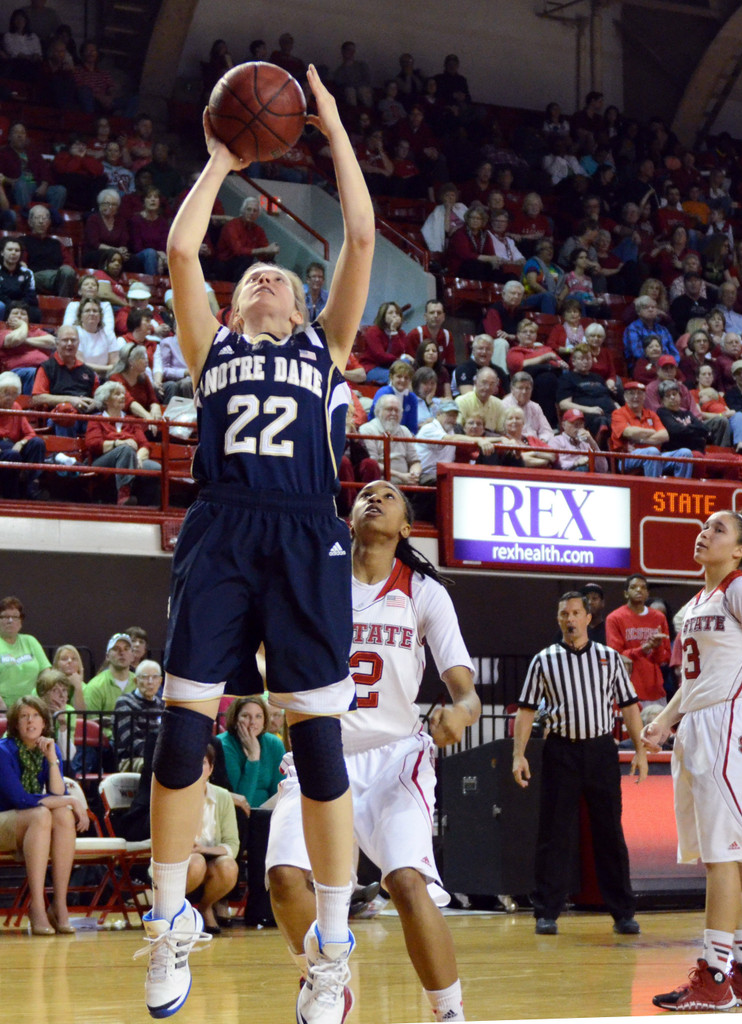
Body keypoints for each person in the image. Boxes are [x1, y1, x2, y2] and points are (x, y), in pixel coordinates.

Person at [137, 65, 374, 1024]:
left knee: (318, 753)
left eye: (279, 272)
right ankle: (165, 926)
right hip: (224, 525)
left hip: (309, 530)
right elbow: (184, 248)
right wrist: (224, 158)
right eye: (253, 276)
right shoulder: (213, 351)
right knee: (184, 728)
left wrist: (333, 127)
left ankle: (331, 948)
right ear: (234, 310)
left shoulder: (328, 348)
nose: (266, 273)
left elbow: (359, 233)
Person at [267, 479, 480, 1023]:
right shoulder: (320, 579)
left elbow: (466, 692)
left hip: (393, 757)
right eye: (365, 494)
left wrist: (459, 712)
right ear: (350, 517)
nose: (374, 498)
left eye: (389, 496)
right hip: (321, 750)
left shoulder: (424, 591)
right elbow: (268, 646)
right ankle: (323, 981)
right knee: (284, 878)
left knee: (407, 883)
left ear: (407, 527)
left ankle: (449, 1013)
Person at [644, 507, 742, 1011]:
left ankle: (714, 977)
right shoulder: (693, 604)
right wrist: (666, 720)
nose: (704, 533)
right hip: (698, 723)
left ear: (739, 550)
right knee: (728, 856)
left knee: (722, 855)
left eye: (718, 529)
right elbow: (692, 681)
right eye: (703, 526)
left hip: (731, 723)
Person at [512, 591, 647, 936]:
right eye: (563, 614)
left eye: (575, 613)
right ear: (558, 620)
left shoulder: (609, 658)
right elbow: (527, 710)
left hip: (601, 751)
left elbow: (629, 704)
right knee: (554, 833)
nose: (569, 619)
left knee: (610, 833)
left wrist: (641, 751)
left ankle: (623, 912)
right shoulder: (544, 660)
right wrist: (518, 754)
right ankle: (546, 911)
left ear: (588, 618)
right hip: (561, 751)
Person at [0, 695, 89, 935]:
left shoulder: (49, 747)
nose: (30, 721)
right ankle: (37, 905)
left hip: (27, 823)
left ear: (44, 721)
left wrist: (51, 760)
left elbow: (56, 792)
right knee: (42, 814)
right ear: (15, 724)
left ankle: (59, 904)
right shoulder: (4, 751)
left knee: (61, 815)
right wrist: (70, 800)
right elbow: (18, 799)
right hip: (4, 818)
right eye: (24, 716)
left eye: (35, 715)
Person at [187, 744, 240, 934]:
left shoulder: (223, 796)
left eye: (202, 763)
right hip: (181, 859)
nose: (196, 767)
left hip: (207, 855)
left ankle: (205, 907)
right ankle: (174, 912)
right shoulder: (174, 795)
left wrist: (204, 850)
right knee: (196, 862)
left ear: (210, 768)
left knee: (228, 866)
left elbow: (232, 844)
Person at [84, 380, 160, 505]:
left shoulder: (131, 420)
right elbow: (93, 444)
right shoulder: (96, 420)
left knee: (156, 468)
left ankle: (149, 507)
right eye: (117, 394)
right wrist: (118, 443)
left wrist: (138, 457)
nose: (123, 396)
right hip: (102, 460)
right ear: (106, 400)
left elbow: (144, 444)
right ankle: (123, 496)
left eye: (123, 394)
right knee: (125, 449)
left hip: (131, 457)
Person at [606, 574, 671, 705]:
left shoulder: (659, 617)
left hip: (655, 691)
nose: (639, 590)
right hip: (627, 690)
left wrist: (657, 646)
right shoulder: (615, 618)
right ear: (626, 593)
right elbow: (616, 656)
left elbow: (664, 658)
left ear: (647, 593)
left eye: (643, 587)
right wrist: (644, 648)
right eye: (633, 587)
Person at [609, 381, 693, 479]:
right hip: (628, 458)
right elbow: (628, 432)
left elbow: (664, 435)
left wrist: (639, 439)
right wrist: (652, 432)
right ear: (625, 397)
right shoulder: (618, 413)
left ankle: (680, 490)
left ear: (644, 396)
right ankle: (654, 491)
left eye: (639, 393)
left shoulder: (651, 414)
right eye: (631, 393)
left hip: (657, 456)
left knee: (685, 453)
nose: (636, 397)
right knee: (652, 452)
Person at [31, 325, 100, 436]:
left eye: (73, 340)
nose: (69, 344)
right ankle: (66, 452)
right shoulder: (47, 367)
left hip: (86, 415)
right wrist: (71, 400)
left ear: (78, 343)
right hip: (60, 416)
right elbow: (37, 398)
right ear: (57, 344)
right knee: (66, 413)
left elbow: (100, 397)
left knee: (104, 418)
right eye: (65, 340)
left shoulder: (88, 371)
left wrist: (96, 403)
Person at [0, 369, 47, 499]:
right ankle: (11, 494)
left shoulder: (15, 406)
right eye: (6, 393)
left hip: (13, 446)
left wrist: (21, 443)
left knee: (37, 443)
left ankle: (31, 488)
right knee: (12, 454)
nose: (10, 398)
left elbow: (30, 434)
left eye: (14, 394)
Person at [0, 596, 50, 712]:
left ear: (21, 622)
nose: (10, 621)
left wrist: (42, 698)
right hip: (3, 708)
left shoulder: (30, 641)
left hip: (33, 705)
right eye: (5, 617)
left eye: (15, 617)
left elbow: (46, 672)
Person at [113, 660, 165, 771]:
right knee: (159, 767)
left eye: (155, 677)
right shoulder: (124, 703)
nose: (150, 682)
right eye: (145, 677)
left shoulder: (162, 705)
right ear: (136, 681)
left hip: (157, 756)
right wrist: (156, 755)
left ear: (160, 681)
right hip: (131, 759)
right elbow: (131, 740)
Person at [359, 394, 421, 486]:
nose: (393, 413)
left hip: (406, 482)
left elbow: (415, 461)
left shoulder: (405, 430)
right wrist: (401, 476)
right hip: (381, 484)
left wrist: (414, 475)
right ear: (378, 411)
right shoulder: (367, 429)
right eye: (389, 409)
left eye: (397, 410)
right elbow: (373, 465)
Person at [215, 195, 280, 281]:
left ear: (258, 215)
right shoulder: (232, 225)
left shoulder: (258, 230)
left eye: (255, 211)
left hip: (243, 263)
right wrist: (266, 250)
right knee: (245, 258)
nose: (251, 213)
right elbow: (238, 251)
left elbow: (264, 252)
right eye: (249, 209)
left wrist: (272, 251)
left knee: (270, 263)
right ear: (243, 211)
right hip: (225, 263)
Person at [21, 204, 77, 300]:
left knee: (68, 272)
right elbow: (22, 264)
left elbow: (69, 264)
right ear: (30, 222)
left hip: (57, 277)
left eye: (45, 218)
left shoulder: (57, 243)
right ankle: (63, 305)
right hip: (35, 277)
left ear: (49, 222)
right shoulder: (22, 241)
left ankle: (62, 303)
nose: (41, 221)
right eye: (37, 218)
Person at [360, 301, 410, 384]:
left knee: (407, 365)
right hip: (373, 367)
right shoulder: (372, 331)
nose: (394, 315)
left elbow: (400, 351)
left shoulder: (401, 333)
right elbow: (380, 356)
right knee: (396, 376)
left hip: (391, 366)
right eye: (390, 313)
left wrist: (394, 332)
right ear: (383, 316)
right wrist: (399, 358)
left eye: (397, 313)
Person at [549, 407, 608, 472]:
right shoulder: (556, 441)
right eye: (574, 423)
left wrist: (592, 442)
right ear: (563, 425)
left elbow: (603, 469)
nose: (578, 426)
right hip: (566, 477)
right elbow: (556, 465)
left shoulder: (586, 443)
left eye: (581, 423)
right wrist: (576, 463)